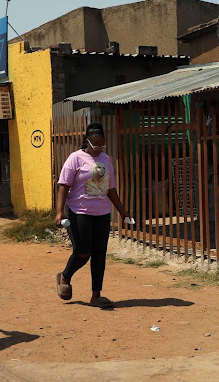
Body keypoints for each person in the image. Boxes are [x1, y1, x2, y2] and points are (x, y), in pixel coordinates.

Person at [55, 122, 130, 308]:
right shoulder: (75, 158)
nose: (98, 149)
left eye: (101, 146)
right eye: (95, 145)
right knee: (83, 250)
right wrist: (59, 212)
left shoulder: (106, 160)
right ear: (87, 141)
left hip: (102, 214)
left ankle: (96, 296)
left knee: (99, 254)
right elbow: (64, 185)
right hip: (79, 212)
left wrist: (122, 211)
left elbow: (110, 188)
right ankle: (65, 276)